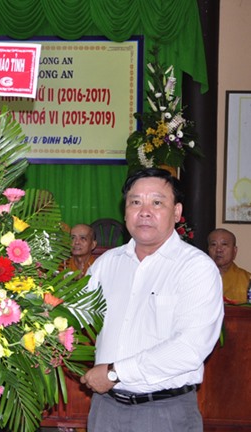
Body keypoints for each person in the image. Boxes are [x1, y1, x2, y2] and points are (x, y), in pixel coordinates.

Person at [80, 168, 224, 432]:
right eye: (135, 202)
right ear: (125, 211)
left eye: (157, 203)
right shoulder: (106, 264)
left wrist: (115, 372)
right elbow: (78, 315)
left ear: (177, 212)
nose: (144, 212)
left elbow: (189, 348)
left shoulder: (196, 268)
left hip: (165, 412)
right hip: (105, 409)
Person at [207, 228, 251, 304]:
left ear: (234, 251)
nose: (218, 250)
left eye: (224, 244)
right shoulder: (198, 277)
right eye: (213, 244)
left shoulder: (248, 280)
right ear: (208, 249)